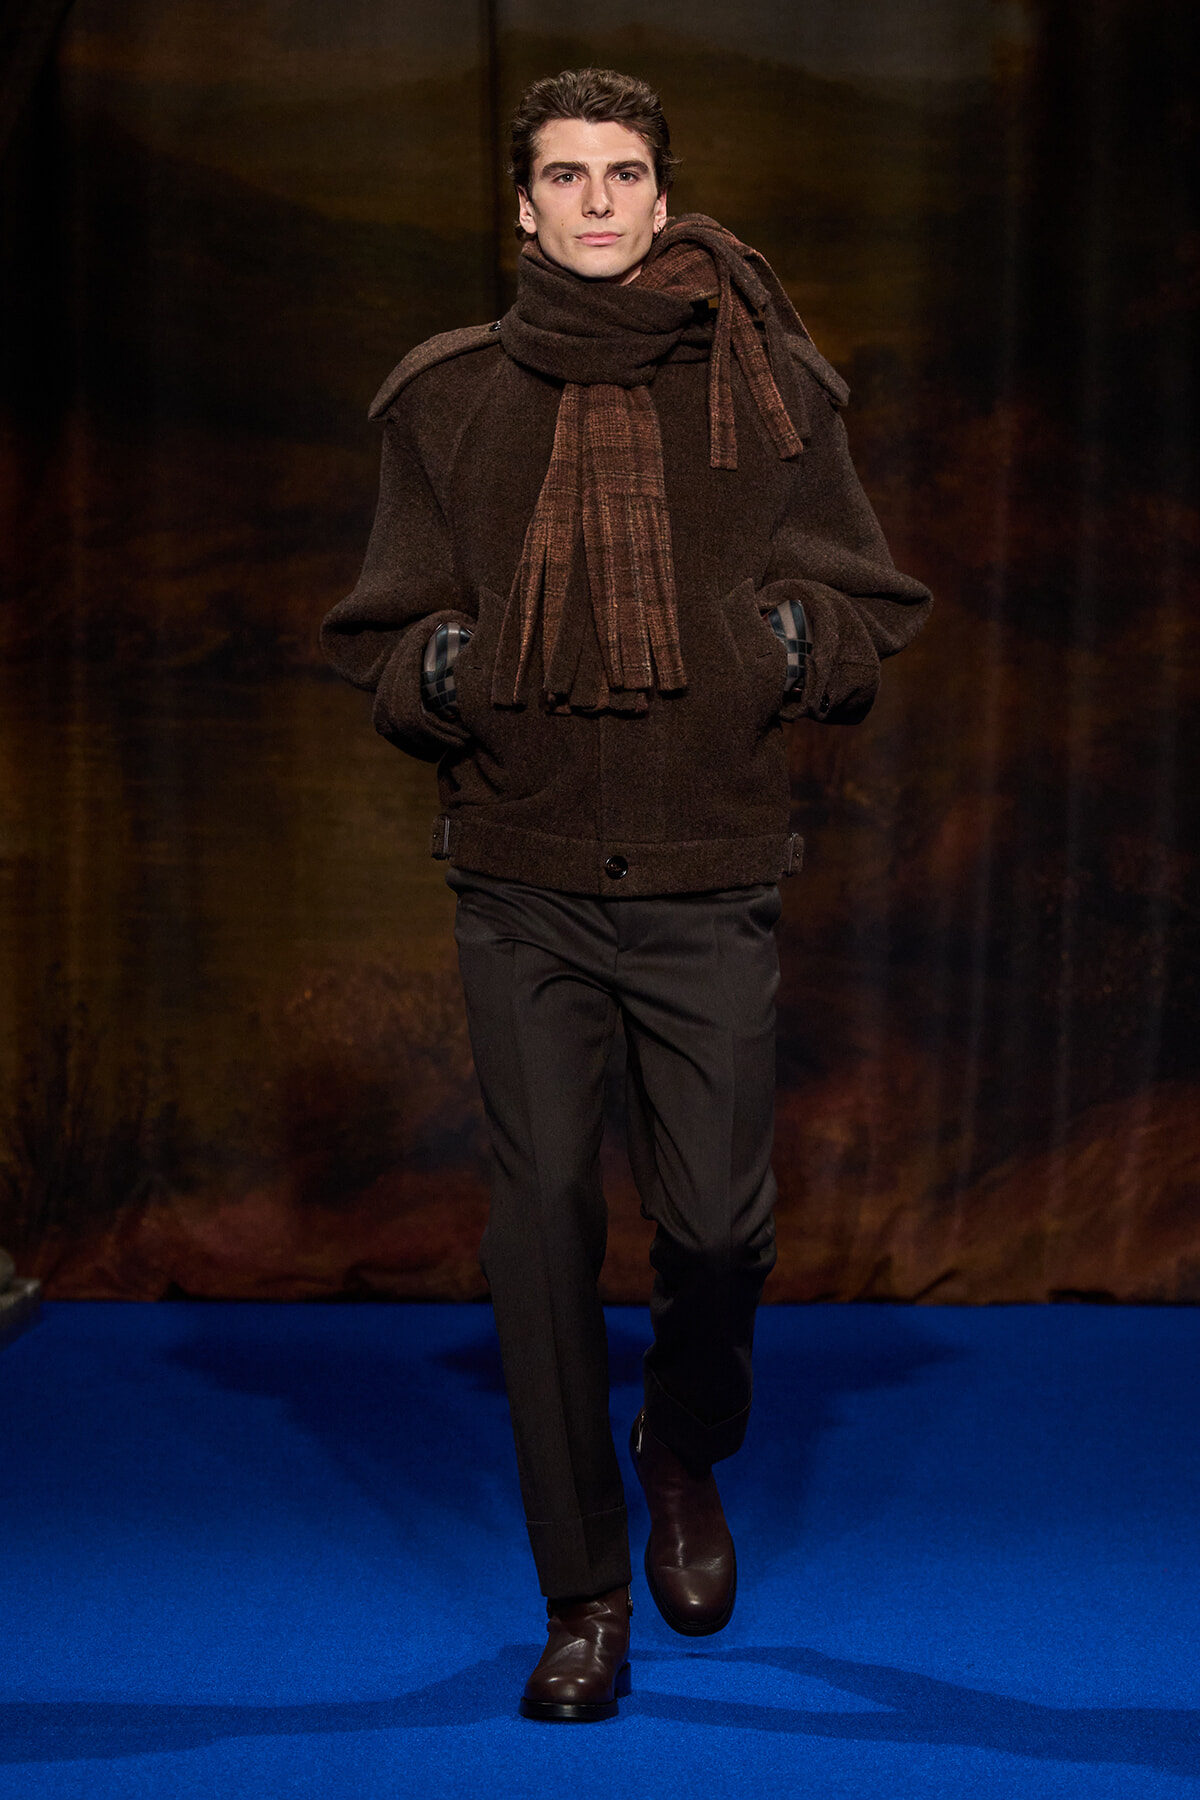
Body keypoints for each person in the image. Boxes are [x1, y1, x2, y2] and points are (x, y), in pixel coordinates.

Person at [321, 67, 932, 1722]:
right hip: (517, 880)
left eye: (628, 173)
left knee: (721, 1228)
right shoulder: (444, 402)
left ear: (666, 199)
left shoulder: (770, 386)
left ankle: (682, 1443)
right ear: (520, 207)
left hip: (709, 874)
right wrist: (447, 667)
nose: (598, 199)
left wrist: (786, 643)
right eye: (567, 175)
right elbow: (376, 633)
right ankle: (583, 1592)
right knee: (536, 1239)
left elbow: (869, 605)